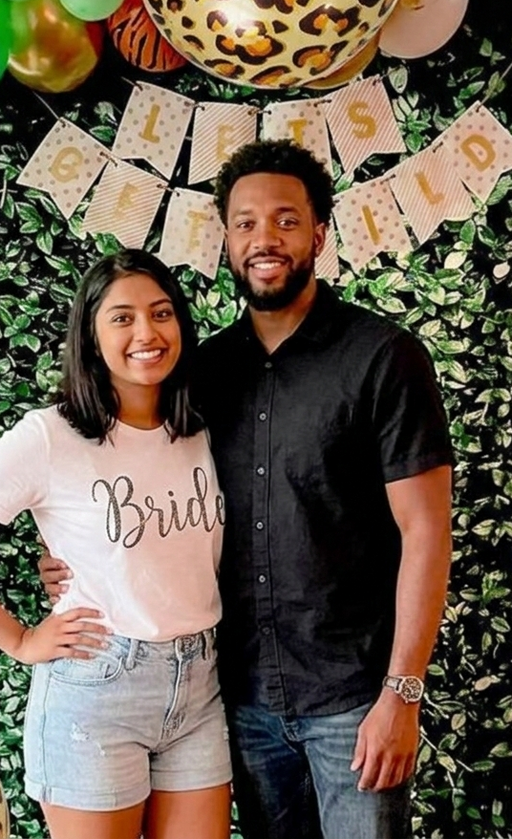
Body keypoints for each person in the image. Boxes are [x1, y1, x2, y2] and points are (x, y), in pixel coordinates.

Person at [42, 140, 454, 839]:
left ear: (320, 234)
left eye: (286, 221)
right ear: (228, 241)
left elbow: (427, 531)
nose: (266, 238)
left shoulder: (383, 358)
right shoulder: (199, 373)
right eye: (246, 223)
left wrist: (401, 694)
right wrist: (72, 565)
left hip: (354, 701)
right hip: (240, 700)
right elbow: (139, 488)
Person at [0, 249, 232, 839]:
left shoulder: (203, 429)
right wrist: (20, 639)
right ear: (91, 336)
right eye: (122, 318)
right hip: (98, 688)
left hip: (199, 687)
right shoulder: (51, 436)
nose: (146, 333)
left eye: (161, 313)